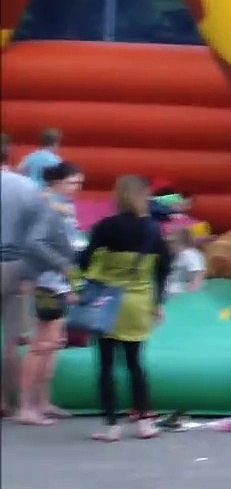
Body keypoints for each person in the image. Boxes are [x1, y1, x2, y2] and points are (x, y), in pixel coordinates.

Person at [78, 175, 172, 442]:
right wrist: (157, 302)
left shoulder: (105, 227)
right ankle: (144, 422)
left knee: (106, 365)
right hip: (139, 302)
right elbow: (163, 269)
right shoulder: (154, 229)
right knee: (135, 364)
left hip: (107, 302)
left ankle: (111, 425)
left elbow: (85, 262)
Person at [15, 162, 85, 425]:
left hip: (56, 280)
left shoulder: (60, 206)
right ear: (57, 182)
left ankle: (42, 401)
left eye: (79, 183)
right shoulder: (48, 206)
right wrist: (63, 265)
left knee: (53, 343)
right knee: (41, 345)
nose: (77, 188)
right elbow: (34, 242)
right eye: (72, 183)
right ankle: (26, 406)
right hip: (47, 281)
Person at [0, 134, 48, 417]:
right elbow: (37, 237)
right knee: (12, 339)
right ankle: (9, 400)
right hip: (15, 264)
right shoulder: (27, 186)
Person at [165, 228, 206, 296]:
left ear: (179, 242)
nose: (168, 245)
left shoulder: (190, 254)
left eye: (171, 242)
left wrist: (193, 291)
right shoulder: (175, 255)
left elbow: (198, 273)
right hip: (170, 290)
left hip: (178, 292)